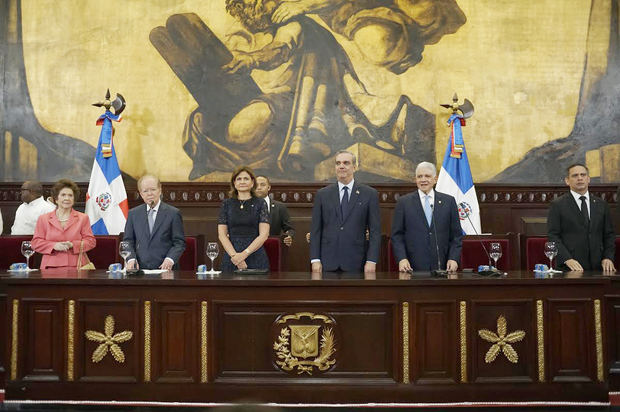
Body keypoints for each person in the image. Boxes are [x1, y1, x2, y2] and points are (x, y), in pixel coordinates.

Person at [310, 150, 380, 273]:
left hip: (357, 262)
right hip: (327, 262)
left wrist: (371, 260)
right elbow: (316, 230)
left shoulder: (369, 194)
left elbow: (375, 231)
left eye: (346, 163)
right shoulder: (323, 194)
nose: (341, 166)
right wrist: (315, 260)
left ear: (354, 167)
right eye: (338, 163)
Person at [391, 161, 463, 272]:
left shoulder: (448, 201)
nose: (423, 180)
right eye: (419, 176)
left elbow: (456, 236)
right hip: (412, 266)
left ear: (435, 179)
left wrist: (453, 258)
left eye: (427, 176)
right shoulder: (404, 202)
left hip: (443, 266)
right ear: (415, 179)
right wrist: (402, 258)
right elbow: (397, 236)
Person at [547, 163, 616, 272]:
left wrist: (608, 257)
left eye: (583, 175)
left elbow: (609, 235)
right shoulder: (558, 205)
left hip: (599, 268)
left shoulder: (601, 204)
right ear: (567, 181)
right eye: (575, 176)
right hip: (570, 268)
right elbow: (553, 236)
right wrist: (567, 259)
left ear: (588, 179)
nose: (580, 178)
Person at [123, 175, 186, 270]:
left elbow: (179, 243)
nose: (149, 194)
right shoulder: (133, 214)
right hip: (140, 270)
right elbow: (127, 242)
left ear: (160, 190)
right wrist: (131, 259)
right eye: (145, 191)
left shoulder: (173, 213)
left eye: (153, 189)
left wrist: (170, 259)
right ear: (141, 194)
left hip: (165, 269)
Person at [32, 179, 96, 269]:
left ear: (74, 199)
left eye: (70, 195)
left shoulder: (83, 218)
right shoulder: (43, 219)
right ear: (56, 199)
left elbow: (90, 242)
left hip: (78, 266)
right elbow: (35, 243)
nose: (67, 198)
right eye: (63, 195)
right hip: (50, 267)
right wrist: (54, 246)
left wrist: (73, 245)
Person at [218, 166, 270, 272]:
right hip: (232, 256)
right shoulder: (226, 204)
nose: (242, 181)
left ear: (252, 183)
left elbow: (264, 235)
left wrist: (244, 254)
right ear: (234, 183)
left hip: (255, 254)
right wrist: (235, 257)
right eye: (239, 179)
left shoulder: (260, 203)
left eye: (246, 179)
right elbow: (222, 235)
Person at [255, 175, 295, 246]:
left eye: (262, 185)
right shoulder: (246, 206)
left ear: (269, 187)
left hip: (272, 246)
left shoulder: (279, 207)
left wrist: (289, 236)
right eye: (256, 185)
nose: (259, 187)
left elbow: (289, 229)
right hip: (250, 248)